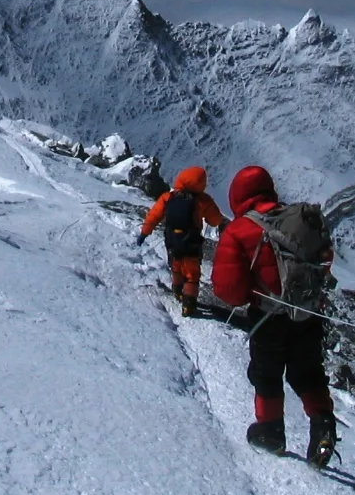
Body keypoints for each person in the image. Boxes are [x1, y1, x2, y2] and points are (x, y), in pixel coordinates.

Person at [212, 164, 338, 467]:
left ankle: (271, 431)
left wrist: (249, 297)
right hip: (307, 314)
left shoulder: (240, 230)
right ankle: (323, 422)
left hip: (268, 318)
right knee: (307, 371)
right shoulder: (298, 220)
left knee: (266, 374)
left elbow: (228, 289)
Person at [139, 166, 225, 316]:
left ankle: (178, 291)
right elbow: (215, 220)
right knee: (192, 274)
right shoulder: (203, 201)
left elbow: (153, 215)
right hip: (191, 243)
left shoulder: (168, 197)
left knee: (176, 266)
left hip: (172, 241)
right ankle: (189, 304)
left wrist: (144, 233)